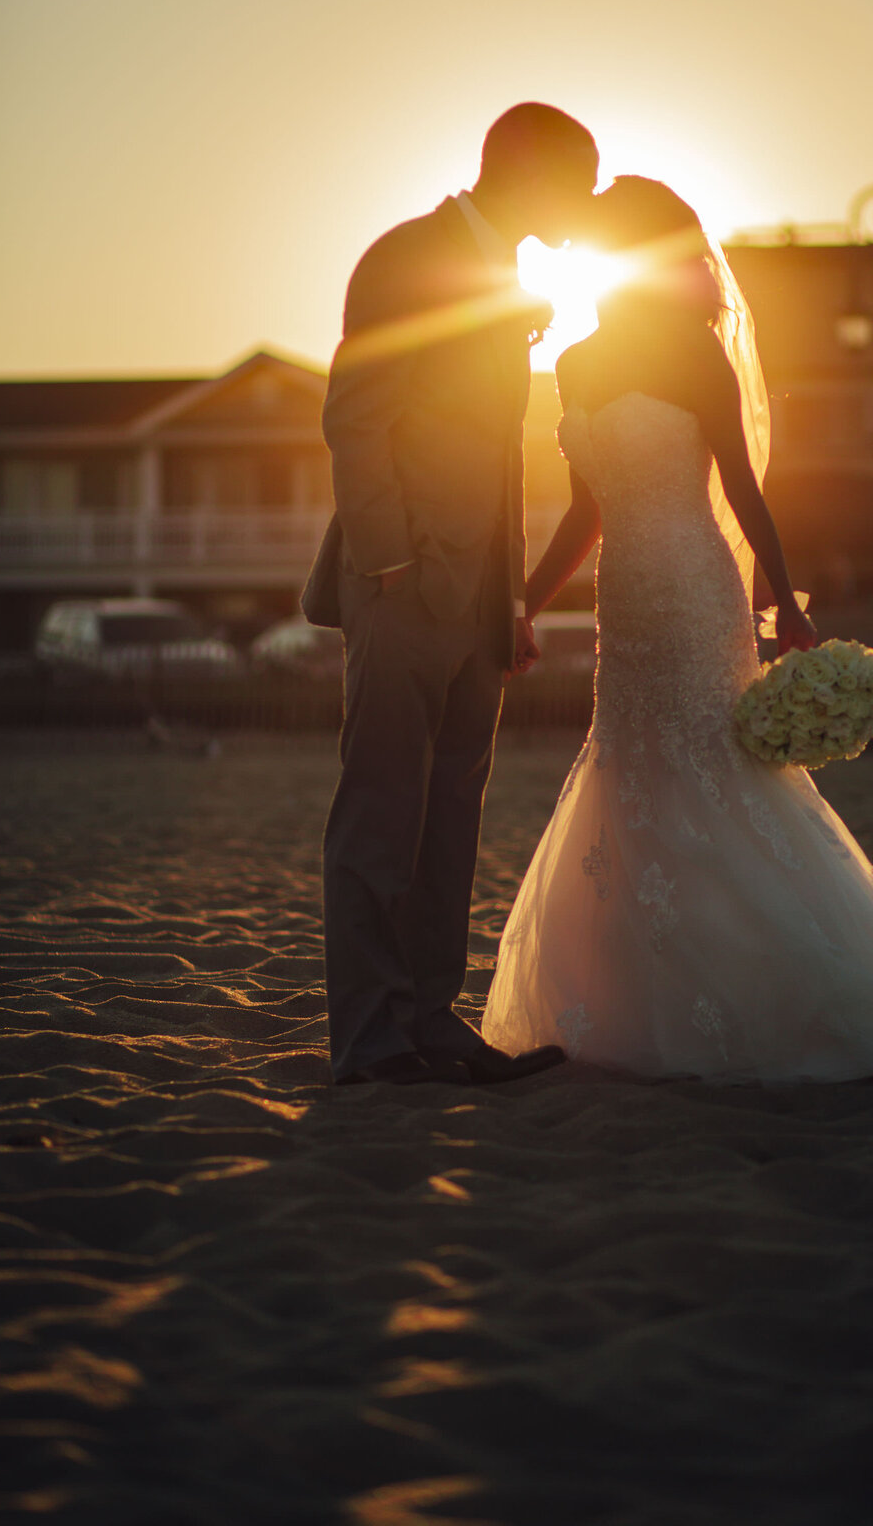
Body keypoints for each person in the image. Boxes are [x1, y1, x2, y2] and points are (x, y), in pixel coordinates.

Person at [483, 177, 873, 1085]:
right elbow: (586, 513)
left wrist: (789, 604)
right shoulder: (573, 364)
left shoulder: (698, 357)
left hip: (698, 590)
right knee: (633, 766)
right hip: (627, 607)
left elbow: (743, 492)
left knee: (718, 771)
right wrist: (528, 598)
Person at [303, 103, 600, 1086]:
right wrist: (389, 562)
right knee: (383, 812)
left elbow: (499, 461)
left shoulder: (507, 280)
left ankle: (430, 1020)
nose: (587, 202)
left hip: (477, 600)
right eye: (579, 179)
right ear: (527, 171)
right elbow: (356, 417)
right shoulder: (407, 258)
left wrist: (510, 596)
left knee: (452, 820)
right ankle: (372, 1039)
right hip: (403, 587)